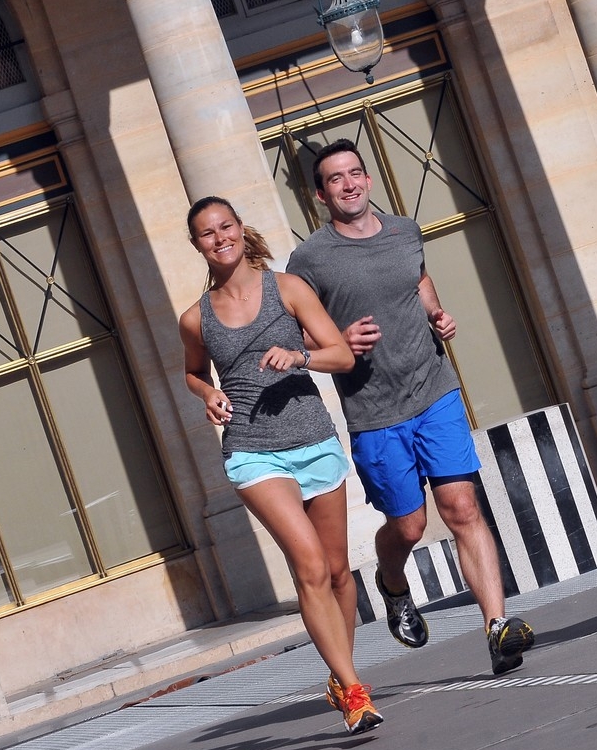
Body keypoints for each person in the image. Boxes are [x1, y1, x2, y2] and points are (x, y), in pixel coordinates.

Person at [286, 139, 535, 675]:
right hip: (374, 412)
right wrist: (339, 341)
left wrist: (438, 314)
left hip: (434, 389)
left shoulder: (405, 230)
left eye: (356, 173)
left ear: (369, 179)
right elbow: (298, 328)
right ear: (320, 194)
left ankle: (497, 628)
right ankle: (393, 583)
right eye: (336, 179)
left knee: (463, 509)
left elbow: (418, 279)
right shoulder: (309, 259)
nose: (349, 184)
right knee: (410, 527)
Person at [178, 196, 383, 734]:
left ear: (241, 230)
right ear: (197, 244)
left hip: (314, 441)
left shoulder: (287, 289)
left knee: (339, 573)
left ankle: (344, 678)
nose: (219, 237)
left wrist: (298, 357)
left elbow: (340, 354)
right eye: (206, 233)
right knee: (311, 567)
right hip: (251, 450)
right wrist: (208, 394)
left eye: (226, 226)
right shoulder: (195, 318)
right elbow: (192, 372)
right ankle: (356, 692)